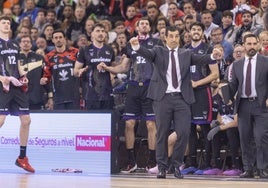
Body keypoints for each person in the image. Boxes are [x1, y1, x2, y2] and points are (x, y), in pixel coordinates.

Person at [128, 26, 223, 179]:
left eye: (176, 36)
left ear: (179, 37)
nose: (173, 39)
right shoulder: (158, 51)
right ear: (165, 37)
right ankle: (162, 167)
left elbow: (201, 59)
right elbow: (147, 53)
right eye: (170, 36)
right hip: (162, 98)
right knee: (162, 133)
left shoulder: (186, 53)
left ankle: (176, 165)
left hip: (182, 98)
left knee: (184, 132)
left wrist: (213, 55)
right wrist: (136, 46)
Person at [98, 17, 163, 173]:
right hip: (133, 86)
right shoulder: (129, 45)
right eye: (142, 23)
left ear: (150, 26)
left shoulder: (157, 43)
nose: (145, 25)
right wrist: (107, 68)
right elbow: (123, 67)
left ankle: (152, 161)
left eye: (147, 23)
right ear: (137, 27)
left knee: (150, 124)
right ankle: (131, 161)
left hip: (150, 87)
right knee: (129, 124)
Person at [222, 33, 268, 179]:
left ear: (259, 44)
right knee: (245, 138)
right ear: (244, 45)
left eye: (254, 44)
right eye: (249, 44)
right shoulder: (237, 64)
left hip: (261, 105)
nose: (252, 46)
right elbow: (233, 85)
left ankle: (262, 168)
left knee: (261, 137)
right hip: (243, 105)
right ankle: (248, 168)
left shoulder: (266, 61)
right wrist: (227, 96)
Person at [181, 22, 219, 175]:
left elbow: (215, 74)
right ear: (189, 32)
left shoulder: (209, 49)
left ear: (203, 33)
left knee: (204, 128)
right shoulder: (184, 50)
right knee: (189, 129)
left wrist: (197, 83)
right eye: (193, 29)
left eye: (199, 29)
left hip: (203, 93)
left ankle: (208, 163)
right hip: (186, 94)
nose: (196, 31)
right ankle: (192, 162)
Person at [0, 15, 35, 173]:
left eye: (8, 22)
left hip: (16, 86)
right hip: (3, 86)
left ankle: (22, 158)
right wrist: (5, 78)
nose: (7, 25)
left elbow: (18, 64)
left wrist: (23, 76)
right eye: (3, 22)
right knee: (1, 120)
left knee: (26, 120)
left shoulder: (14, 43)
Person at [74, 23, 115, 110]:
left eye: (103, 31)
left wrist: (112, 74)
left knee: (107, 121)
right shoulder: (84, 50)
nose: (101, 33)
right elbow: (75, 71)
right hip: (90, 94)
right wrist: (80, 71)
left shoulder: (110, 50)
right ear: (92, 34)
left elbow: (114, 69)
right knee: (91, 122)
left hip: (107, 94)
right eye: (97, 31)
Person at [40, 30, 80, 110]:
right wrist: (43, 80)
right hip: (58, 96)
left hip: (74, 95)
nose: (58, 39)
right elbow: (47, 76)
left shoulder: (75, 52)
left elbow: (81, 70)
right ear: (52, 40)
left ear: (64, 39)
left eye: (60, 37)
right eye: (56, 38)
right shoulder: (49, 57)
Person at [18, 35, 47, 110]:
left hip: (37, 97)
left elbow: (46, 76)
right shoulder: (15, 58)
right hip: (19, 98)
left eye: (28, 41)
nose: (26, 43)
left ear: (31, 44)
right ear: (20, 44)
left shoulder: (39, 58)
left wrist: (49, 96)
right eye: (24, 41)